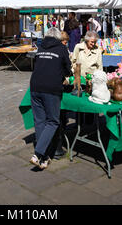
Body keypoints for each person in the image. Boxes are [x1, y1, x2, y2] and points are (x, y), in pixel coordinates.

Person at [29, 27, 72, 170]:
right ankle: (38, 153)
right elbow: (67, 69)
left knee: (40, 121)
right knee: (53, 121)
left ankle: (44, 157)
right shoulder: (61, 48)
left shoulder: (40, 47)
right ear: (59, 37)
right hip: (51, 88)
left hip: (35, 86)